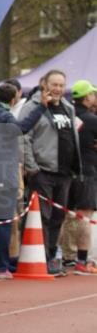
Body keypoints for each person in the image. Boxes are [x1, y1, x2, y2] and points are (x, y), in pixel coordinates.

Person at [0, 82, 49, 278]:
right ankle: (1, 267)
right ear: (14, 99)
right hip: (4, 174)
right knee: (5, 221)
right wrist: (41, 107)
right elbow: (22, 128)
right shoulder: (5, 117)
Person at [20, 69, 82, 275]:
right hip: (42, 171)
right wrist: (32, 167)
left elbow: (71, 136)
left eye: (61, 85)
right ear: (45, 84)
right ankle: (40, 257)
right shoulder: (33, 106)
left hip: (64, 173)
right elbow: (23, 137)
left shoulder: (68, 108)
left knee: (58, 217)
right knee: (42, 216)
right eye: (54, 84)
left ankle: (52, 255)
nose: (57, 89)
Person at [68, 80, 97, 275]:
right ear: (86, 97)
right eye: (92, 94)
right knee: (85, 216)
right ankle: (82, 260)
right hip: (87, 171)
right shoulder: (92, 119)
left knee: (67, 214)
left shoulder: (66, 115)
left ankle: (63, 256)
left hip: (66, 171)